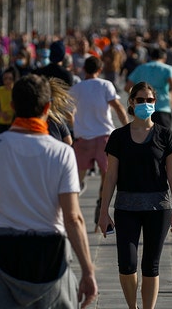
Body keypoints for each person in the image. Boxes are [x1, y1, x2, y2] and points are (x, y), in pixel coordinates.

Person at [0, 74, 97, 308]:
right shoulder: (62, 153)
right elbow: (73, 218)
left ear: (12, 106)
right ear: (48, 107)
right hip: (50, 255)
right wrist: (88, 271)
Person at [97, 81, 172, 309]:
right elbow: (111, 176)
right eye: (141, 100)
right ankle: (132, 306)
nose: (145, 103)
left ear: (155, 102)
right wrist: (103, 212)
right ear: (132, 103)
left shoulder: (165, 135)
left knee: (151, 265)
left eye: (150, 100)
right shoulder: (118, 136)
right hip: (126, 207)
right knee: (126, 263)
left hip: (159, 207)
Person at [71, 56, 130, 225]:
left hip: (83, 139)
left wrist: (74, 123)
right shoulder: (105, 85)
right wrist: (126, 128)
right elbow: (118, 107)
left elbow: (67, 109)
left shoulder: (77, 88)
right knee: (108, 175)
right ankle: (101, 203)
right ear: (99, 69)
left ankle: (72, 206)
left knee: (77, 177)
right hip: (105, 137)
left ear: (84, 70)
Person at [125, 47, 172, 129]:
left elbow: (127, 87)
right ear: (164, 58)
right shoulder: (167, 69)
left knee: (143, 138)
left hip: (142, 109)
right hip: (162, 108)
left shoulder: (140, 68)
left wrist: (136, 99)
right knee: (163, 138)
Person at [0, 66, 18, 134]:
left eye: (10, 78)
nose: (7, 81)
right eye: (5, 78)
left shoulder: (17, 90)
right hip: (2, 122)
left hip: (15, 122)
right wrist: (1, 114)